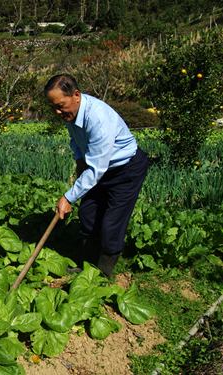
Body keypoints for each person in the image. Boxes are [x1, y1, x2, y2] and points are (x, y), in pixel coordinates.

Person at [44, 74, 149, 277]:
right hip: (101, 168)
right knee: (88, 214)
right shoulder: (71, 114)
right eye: (53, 107)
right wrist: (79, 161)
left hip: (125, 170)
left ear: (76, 95)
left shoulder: (97, 118)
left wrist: (68, 197)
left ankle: (102, 274)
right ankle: (86, 266)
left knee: (111, 223)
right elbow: (76, 142)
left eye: (60, 105)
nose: (57, 111)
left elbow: (96, 169)